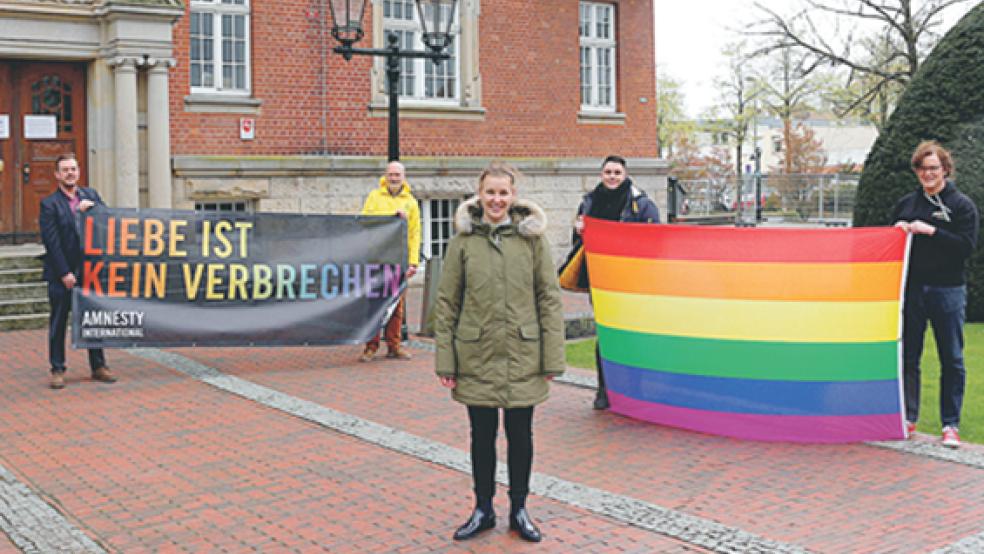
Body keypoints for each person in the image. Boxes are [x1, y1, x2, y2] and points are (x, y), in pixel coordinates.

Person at [434, 162, 564, 543]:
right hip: (476, 355)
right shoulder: (463, 242)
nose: (496, 199)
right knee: (481, 436)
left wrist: (553, 358)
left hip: (523, 354)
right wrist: (446, 359)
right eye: (490, 192)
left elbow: (549, 299)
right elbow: (446, 303)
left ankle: (520, 509)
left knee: (521, 436)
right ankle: (483, 509)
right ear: (480, 194)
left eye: (503, 193)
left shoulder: (532, 241)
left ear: (513, 196)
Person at [893, 141, 978, 448]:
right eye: (922, 168)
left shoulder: (962, 205)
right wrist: (897, 231)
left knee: (952, 358)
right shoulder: (906, 204)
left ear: (945, 170)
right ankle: (908, 416)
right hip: (912, 290)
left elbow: (966, 247)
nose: (927, 174)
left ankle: (950, 425)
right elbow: (891, 248)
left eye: (933, 168)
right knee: (908, 355)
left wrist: (932, 231)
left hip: (948, 290)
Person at [571, 155, 660, 409]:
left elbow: (654, 241)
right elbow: (579, 244)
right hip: (600, 282)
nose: (612, 177)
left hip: (632, 284)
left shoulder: (641, 204)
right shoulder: (589, 202)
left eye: (617, 172)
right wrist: (578, 231)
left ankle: (635, 390)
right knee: (605, 335)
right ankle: (604, 390)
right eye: (608, 172)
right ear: (602, 174)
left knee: (632, 336)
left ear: (625, 174)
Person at [39, 153, 115, 390]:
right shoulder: (49, 204)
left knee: (92, 320)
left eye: (73, 169)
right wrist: (64, 273)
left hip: (89, 271)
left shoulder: (91, 195)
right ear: (57, 175)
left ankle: (98, 366)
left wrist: (95, 210)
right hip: (62, 274)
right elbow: (52, 243)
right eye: (65, 170)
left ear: (79, 171)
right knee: (59, 322)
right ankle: (58, 369)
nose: (70, 173)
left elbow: (109, 220)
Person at [359, 160, 421, 362]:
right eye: (391, 174)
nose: (394, 178)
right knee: (374, 304)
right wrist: (391, 217)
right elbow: (365, 223)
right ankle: (371, 346)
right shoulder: (374, 197)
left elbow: (414, 234)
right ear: (385, 176)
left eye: (397, 175)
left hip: (399, 260)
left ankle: (394, 346)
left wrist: (413, 262)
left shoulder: (411, 202)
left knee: (397, 307)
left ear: (404, 177)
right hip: (376, 258)